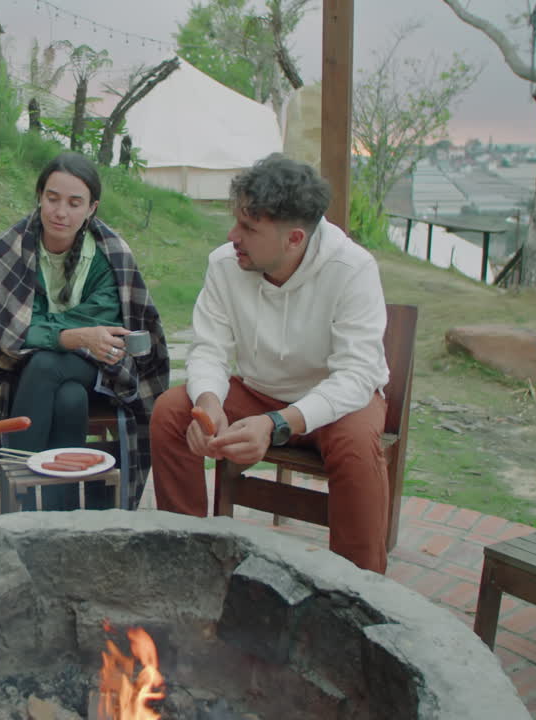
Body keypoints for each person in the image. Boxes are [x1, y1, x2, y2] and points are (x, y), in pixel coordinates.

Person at [151, 154, 391, 573]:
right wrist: (208, 402)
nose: (232, 237)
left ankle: (363, 591)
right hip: (257, 392)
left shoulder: (352, 269)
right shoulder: (224, 264)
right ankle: (184, 557)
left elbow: (356, 376)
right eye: (236, 222)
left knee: (357, 447)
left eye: (248, 228)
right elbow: (208, 347)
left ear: (294, 239)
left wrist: (279, 423)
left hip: (335, 401)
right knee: (173, 411)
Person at [0, 152, 169, 510]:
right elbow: (11, 334)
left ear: (91, 208)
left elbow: (103, 323)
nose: (60, 212)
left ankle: (19, 499)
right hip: (19, 365)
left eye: (74, 203)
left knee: (46, 364)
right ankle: (65, 516)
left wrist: (48, 331)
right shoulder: (6, 252)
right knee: (69, 399)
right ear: (40, 196)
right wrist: (75, 336)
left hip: (103, 364)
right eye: (52, 198)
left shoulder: (110, 256)